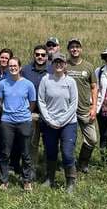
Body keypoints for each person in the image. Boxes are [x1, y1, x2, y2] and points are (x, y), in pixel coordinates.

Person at [38, 53, 78, 193]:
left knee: (67, 152)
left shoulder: (71, 82)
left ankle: (70, 181)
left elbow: (74, 104)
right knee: (50, 151)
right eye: (56, 62)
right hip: (49, 123)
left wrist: (61, 121)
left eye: (61, 62)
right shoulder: (45, 80)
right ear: (52, 64)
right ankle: (50, 178)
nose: (58, 64)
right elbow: (41, 101)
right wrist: (49, 119)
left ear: (65, 64)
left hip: (68, 123)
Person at [0, 57, 36, 191]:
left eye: (15, 65)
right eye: (10, 66)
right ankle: (4, 180)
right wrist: (7, 112)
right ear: (7, 68)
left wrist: (24, 113)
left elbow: (32, 103)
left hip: (24, 121)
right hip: (7, 122)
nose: (12, 68)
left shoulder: (28, 84)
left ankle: (26, 180)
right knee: (5, 152)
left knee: (26, 153)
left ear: (20, 67)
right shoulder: (3, 83)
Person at [64, 38, 98, 173]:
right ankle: (69, 164)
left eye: (77, 47)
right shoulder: (64, 65)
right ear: (68, 50)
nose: (75, 49)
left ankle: (83, 162)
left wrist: (94, 107)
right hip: (67, 109)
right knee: (68, 140)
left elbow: (94, 87)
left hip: (84, 109)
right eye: (72, 47)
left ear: (81, 49)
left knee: (92, 139)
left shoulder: (88, 67)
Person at [21, 45, 49, 178]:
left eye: (43, 55)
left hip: (48, 113)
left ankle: (47, 170)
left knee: (49, 143)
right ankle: (31, 170)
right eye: (37, 54)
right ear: (33, 55)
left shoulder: (51, 70)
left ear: (47, 57)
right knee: (32, 143)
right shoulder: (26, 70)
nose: (40, 57)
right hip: (31, 113)